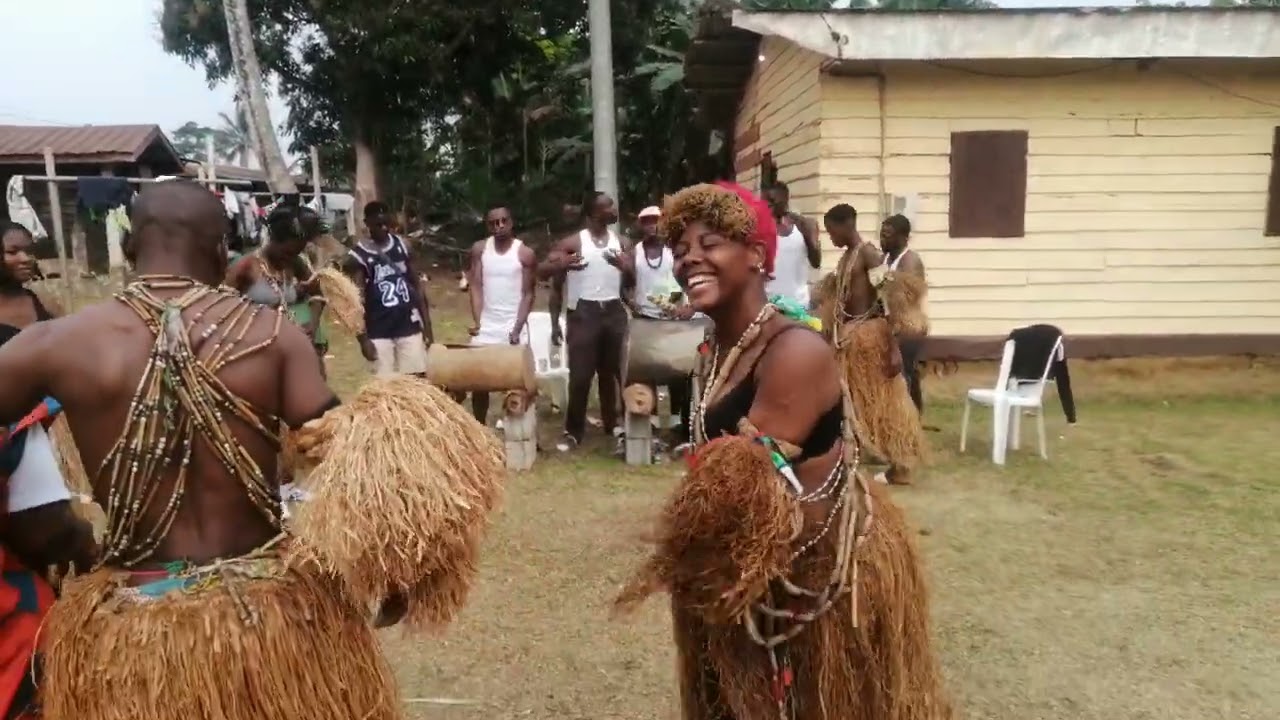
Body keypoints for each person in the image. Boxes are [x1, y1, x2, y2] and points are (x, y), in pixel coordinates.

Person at [0, 181, 432, 720]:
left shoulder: (57, 343)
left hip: (133, 636)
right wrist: (396, 570)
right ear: (216, 249)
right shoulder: (275, 337)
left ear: (132, 247)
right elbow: (349, 458)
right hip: (276, 622)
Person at [614, 182, 951, 720]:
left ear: (757, 255)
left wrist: (662, 556)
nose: (690, 259)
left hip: (819, 580)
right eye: (681, 251)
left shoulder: (794, 350)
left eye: (711, 243)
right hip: (755, 573)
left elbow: (736, 488)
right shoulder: (720, 347)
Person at [0, 223, 92, 720]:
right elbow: (50, 530)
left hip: (43, 437)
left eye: (26, 251)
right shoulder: (8, 434)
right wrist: (81, 543)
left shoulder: (36, 305)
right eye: (10, 250)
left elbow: (69, 350)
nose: (21, 258)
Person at [818, 204, 924, 486]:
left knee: (885, 404)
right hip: (851, 339)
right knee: (851, 402)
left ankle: (901, 466)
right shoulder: (848, 258)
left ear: (845, 225)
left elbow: (887, 300)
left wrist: (893, 347)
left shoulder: (868, 254)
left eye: (831, 231)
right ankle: (848, 455)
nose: (831, 238)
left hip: (871, 338)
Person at [537, 192, 628, 452]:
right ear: (592, 213)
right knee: (580, 376)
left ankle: (615, 424)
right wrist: (555, 323)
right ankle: (574, 430)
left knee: (615, 373)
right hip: (583, 312)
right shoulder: (574, 242)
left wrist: (626, 266)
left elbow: (633, 279)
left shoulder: (621, 241)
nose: (613, 209)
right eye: (607, 206)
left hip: (613, 310)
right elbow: (543, 272)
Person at [225, 205, 329, 376]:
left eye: (297, 253)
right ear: (272, 239)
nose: (289, 258)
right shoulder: (245, 267)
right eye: (287, 252)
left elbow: (317, 293)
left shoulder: (295, 263)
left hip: (290, 355)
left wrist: (313, 324)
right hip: (256, 358)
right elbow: (220, 310)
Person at [623, 205, 693, 442]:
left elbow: (687, 280)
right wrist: (631, 303)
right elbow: (625, 284)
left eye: (656, 221)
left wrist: (683, 306)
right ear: (641, 226)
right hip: (646, 318)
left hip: (673, 317)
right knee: (646, 369)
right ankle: (650, 420)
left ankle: (675, 423)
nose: (652, 226)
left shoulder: (676, 250)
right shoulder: (635, 253)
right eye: (647, 222)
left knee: (677, 371)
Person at [345, 200, 434, 377]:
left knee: (416, 380)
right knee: (384, 389)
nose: (384, 228)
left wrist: (428, 326)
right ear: (367, 223)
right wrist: (363, 340)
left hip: (408, 324)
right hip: (378, 329)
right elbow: (355, 301)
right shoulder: (359, 256)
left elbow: (416, 286)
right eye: (378, 224)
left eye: (387, 223)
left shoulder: (403, 246)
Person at [466, 204, 536, 423]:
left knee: (520, 380)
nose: (500, 226)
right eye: (494, 223)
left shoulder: (524, 253)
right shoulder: (480, 249)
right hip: (488, 323)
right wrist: (478, 321)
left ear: (511, 222)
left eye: (504, 221)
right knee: (478, 380)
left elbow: (528, 294)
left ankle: (521, 428)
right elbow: (476, 286)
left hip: (513, 323)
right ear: (488, 226)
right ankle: (479, 425)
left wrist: (517, 328)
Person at [879, 214, 929, 414]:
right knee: (904, 374)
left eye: (888, 235)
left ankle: (906, 418)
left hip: (908, 326)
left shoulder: (910, 260)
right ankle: (913, 415)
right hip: (889, 325)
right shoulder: (885, 258)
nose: (883, 239)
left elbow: (903, 295)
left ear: (903, 237)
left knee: (904, 374)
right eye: (881, 234)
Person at [762, 181, 821, 308]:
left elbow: (816, 262)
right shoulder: (760, 228)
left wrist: (811, 238)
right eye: (763, 201)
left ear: (785, 200)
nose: (766, 205)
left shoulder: (803, 225)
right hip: (769, 305)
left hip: (799, 305)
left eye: (771, 200)